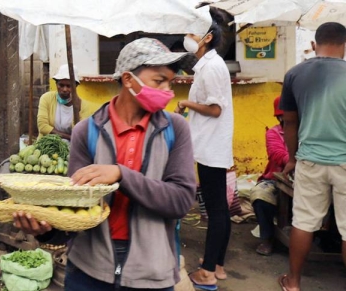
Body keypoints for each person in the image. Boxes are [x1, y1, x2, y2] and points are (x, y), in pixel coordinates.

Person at [14, 38, 197, 290]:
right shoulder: (85, 132)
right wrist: (45, 229)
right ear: (129, 79)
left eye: (170, 82)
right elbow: (74, 206)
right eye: (159, 81)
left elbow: (181, 201)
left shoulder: (175, 130)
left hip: (151, 274)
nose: (168, 91)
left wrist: (121, 175)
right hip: (88, 270)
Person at [277, 22, 346, 291]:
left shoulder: (294, 74)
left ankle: (293, 283)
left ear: (315, 45)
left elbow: (290, 123)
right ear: (343, 45)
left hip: (310, 160)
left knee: (304, 223)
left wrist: (292, 158)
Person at [174, 11, 234, 288]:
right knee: (218, 207)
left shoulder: (211, 67)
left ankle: (208, 271)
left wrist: (186, 104)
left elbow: (215, 108)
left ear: (207, 38)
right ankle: (217, 264)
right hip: (211, 144)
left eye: (192, 34)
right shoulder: (208, 65)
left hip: (211, 146)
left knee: (215, 209)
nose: (188, 38)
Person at [250, 96, 288, 256]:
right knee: (260, 196)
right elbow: (277, 155)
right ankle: (267, 237)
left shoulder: (309, 131)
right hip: (275, 179)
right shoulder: (274, 133)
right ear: (280, 117)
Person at [37, 64, 83, 140]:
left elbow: (81, 133)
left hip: (71, 147)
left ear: (75, 86)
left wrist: (78, 109)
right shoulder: (46, 98)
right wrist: (68, 137)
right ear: (56, 84)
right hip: (47, 144)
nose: (64, 89)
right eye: (61, 85)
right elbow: (42, 126)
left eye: (69, 86)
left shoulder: (81, 105)